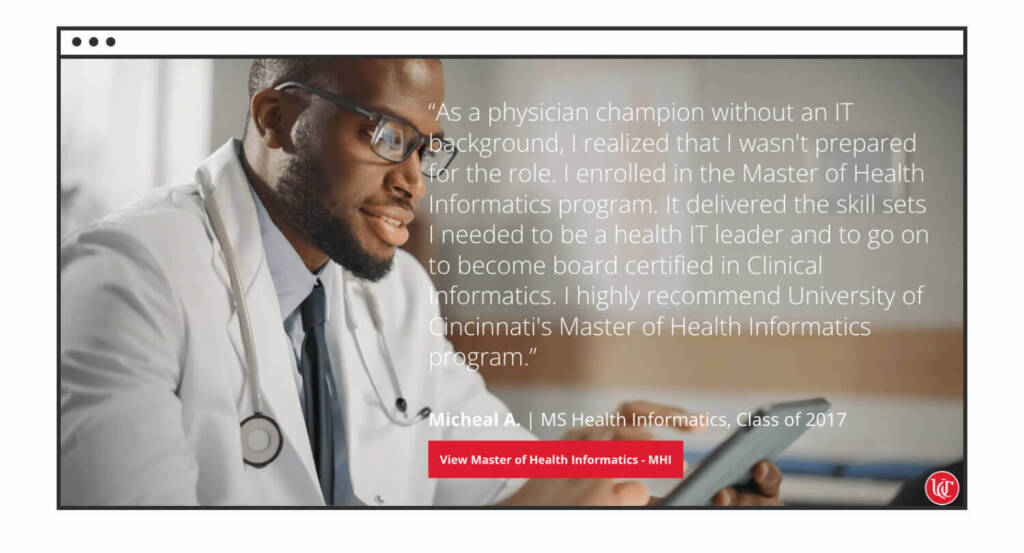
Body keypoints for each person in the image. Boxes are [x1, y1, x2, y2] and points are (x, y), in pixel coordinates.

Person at [60, 58, 782, 506]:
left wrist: (618, 470)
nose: (412, 180)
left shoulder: (395, 291)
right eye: (384, 135)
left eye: (426, 150)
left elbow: (480, 462)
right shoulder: (127, 278)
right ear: (276, 120)